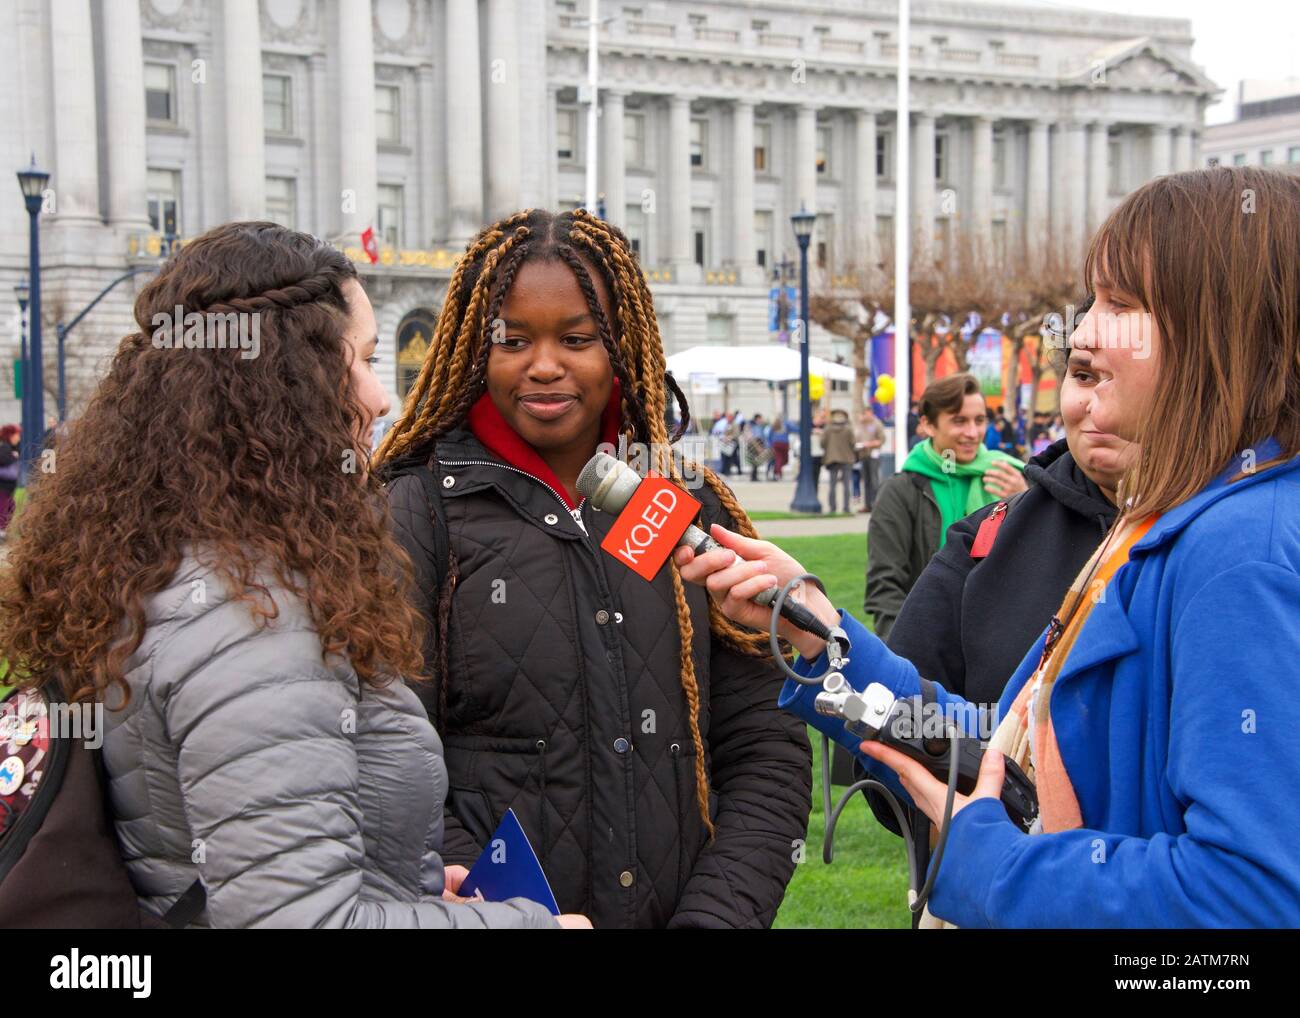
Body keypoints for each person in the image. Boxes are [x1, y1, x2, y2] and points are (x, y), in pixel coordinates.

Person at [679, 166, 1300, 927]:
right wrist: (823, 637)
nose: (1083, 333)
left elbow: (1251, 898)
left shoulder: (1240, 553)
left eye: (1122, 304)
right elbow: (1003, 757)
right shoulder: (1167, 525)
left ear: (1221, 334)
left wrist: (995, 871)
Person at [0, 222, 576, 928]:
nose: (383, 396)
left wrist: (405, 888)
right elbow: (296, 920)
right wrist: (528, 926)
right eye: (362, 360)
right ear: (288, 385)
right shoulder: (253, 621)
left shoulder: (160, 562)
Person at [374, 208, 811, 929]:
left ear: (621, 346)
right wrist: (512, 919)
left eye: (576, 339)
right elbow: (391, 771)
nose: (544, 364)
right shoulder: (415, 512)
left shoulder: (683, 503)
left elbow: (763, 746)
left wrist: (714, 918)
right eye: (512, 340)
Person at [865, 373, 1027, 638]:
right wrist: (901, 660)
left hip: (1000, 637)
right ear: (928, 425)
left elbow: (1036, 562)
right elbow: (885, 587)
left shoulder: (1009, 476)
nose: (972, 433)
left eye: (979, 420)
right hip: (928, 640)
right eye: (959, 421)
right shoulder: (900, 491)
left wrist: (1023, 502)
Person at [821, 408, 856, 513]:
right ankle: (846, 508)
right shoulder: (848, 429)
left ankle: (832, 508)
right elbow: (853, 443)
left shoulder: (828, 429)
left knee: (832, 485)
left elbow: (822, 443)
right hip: (847, 458)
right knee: (846, 485)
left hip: (832, 459)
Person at [855, 406, 885, 512]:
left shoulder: (877, 424)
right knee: (866, 481)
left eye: (867, 413)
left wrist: (868, 444)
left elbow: (881, 440)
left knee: (874, 480)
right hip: (863, 455)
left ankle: (876, 504)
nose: (866, 416)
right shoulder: (861, 424)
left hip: (873, 455)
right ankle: (867, 505)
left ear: (871, 413)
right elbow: (856, 437)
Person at [0, 425, 20, 536]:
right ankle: (1, 533)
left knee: (10, 506)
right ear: (10, 436)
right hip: (2, 487)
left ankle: (3, 531)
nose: (19, 438)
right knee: (4, 508)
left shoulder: (9, 449)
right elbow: (10, 468)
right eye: (17, 435)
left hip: (7, 488)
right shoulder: (4, 449)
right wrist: (14, 458)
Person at [767, 414, 790, 480]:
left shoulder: (774, 426)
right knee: (783, 459)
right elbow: (795, 429)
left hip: (776, 444)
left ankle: (776, 470)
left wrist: (771, 445)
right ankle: (778, 473)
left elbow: (769, 436)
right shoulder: (786, 424)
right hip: (784, 444)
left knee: (779, 459)